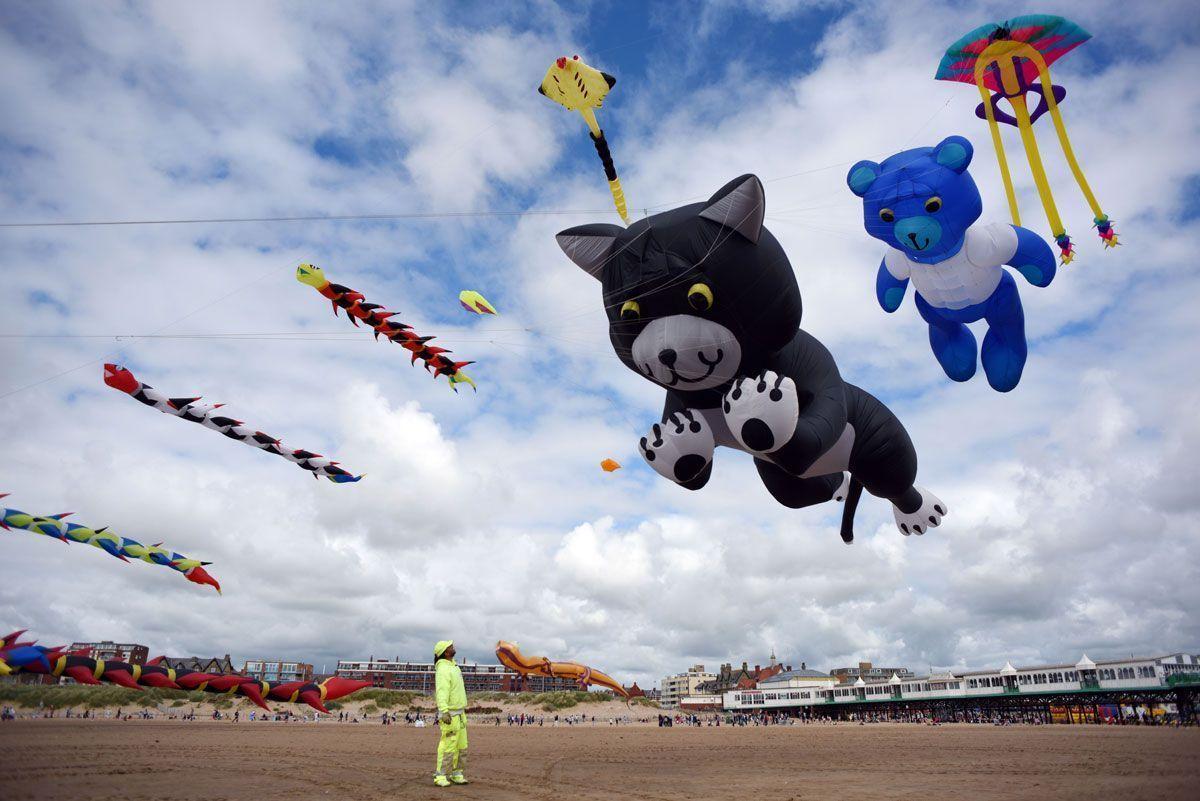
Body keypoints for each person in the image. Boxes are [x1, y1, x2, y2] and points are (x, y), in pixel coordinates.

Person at [433, 640, 468, 787]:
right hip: (450, 714)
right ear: (445, 652)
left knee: (462, 746)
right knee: (448, 745)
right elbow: (442, 691)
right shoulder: (443, 669)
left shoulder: (454, 666)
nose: (453, 647)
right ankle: (441, 775)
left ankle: (457, 773)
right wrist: (444, 711)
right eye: (450, 647)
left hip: (460, 714)